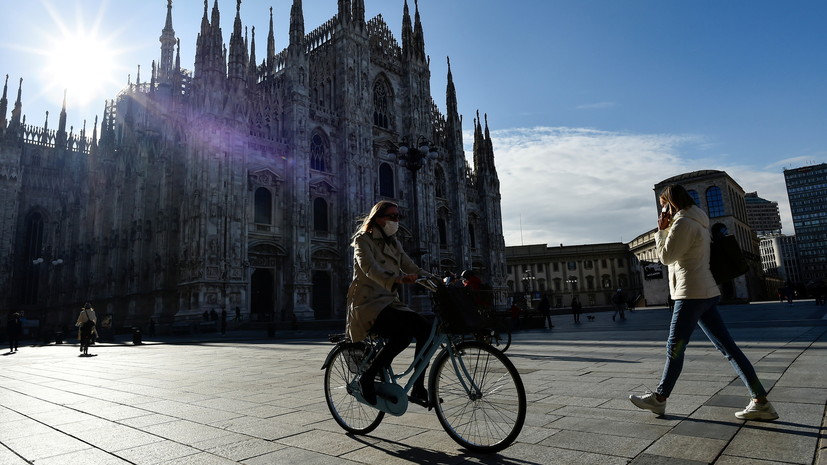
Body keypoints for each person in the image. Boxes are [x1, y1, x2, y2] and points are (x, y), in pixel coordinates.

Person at [630, 184, 778, 421]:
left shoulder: (683, 223)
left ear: (671, 203)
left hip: (690, 294)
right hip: (706, 292)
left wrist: (661, 230)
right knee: (729, 349)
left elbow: (666, 257)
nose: (663, 210)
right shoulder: (699, 220)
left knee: (674, 347)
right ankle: (760, 400)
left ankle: (659, 398)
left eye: (664, 205)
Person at [345, 201, 433, 406]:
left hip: (390, 302)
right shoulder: (362, 240)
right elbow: (368, 268)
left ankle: (419, 385)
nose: (396, 221)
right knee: (402, 335)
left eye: (398, 217)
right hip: (368, 304)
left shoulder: (394, 243)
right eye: (391, 216)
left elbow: (412, 267)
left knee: (426, 331)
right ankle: (368, 377)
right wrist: (396, 279)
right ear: (377, 218)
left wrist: (439, 280)